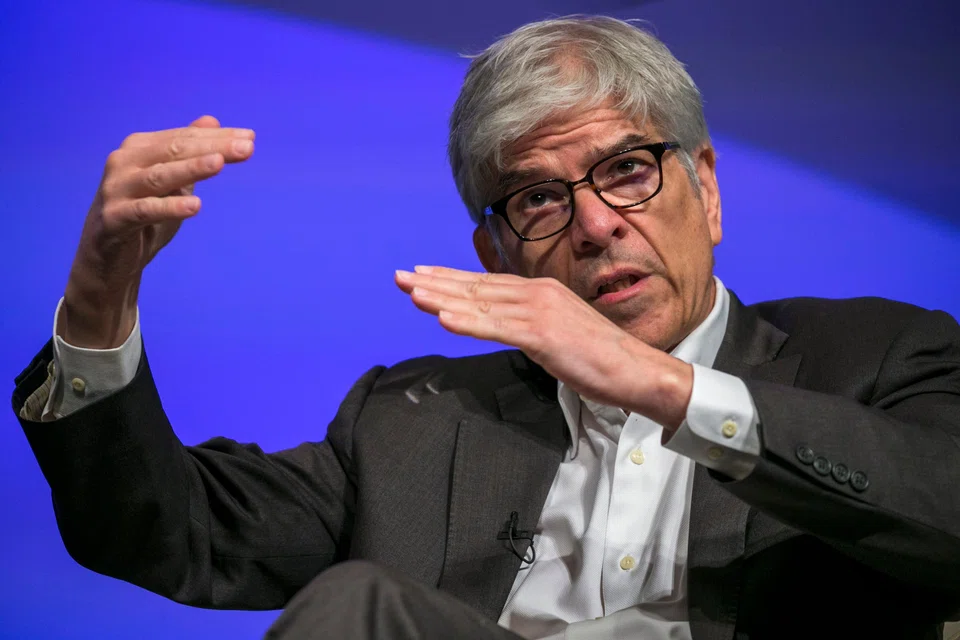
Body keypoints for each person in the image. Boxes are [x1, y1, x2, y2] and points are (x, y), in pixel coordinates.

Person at [12, 15, 960, 640]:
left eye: (627, 169)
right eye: (539, 198)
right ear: (497, 253)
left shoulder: (876, 358)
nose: (595, 224)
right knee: (356, 610)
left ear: (705, 189)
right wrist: (99, 303)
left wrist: (664, 387)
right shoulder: (414, 423)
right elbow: (166, 533)